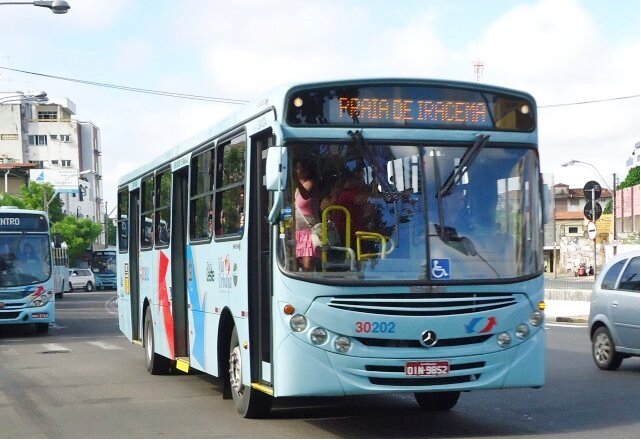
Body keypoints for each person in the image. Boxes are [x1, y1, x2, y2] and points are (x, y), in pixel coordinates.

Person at [294, 159, 320, 271]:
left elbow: (305, 195)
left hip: (309, 232)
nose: (297, 171)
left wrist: (297, 182)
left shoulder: (310, 183)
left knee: (307, 267)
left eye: (300, 168)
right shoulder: (296, 188)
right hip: (299, 232)